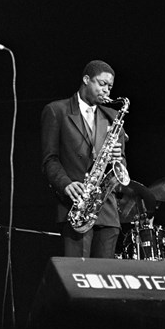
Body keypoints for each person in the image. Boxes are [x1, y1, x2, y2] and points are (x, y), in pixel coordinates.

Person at [41, 59, 127, 258]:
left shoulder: (114, 117)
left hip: (107, 211)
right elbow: (49, 159)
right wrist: (66, 184)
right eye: (102, 84)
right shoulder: (57, 111)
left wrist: (117, 160)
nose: (106, 90)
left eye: (110, 86)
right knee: (80, 278)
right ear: (86, 79)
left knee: (105, 280)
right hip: (75, 205)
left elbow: (122, 165)